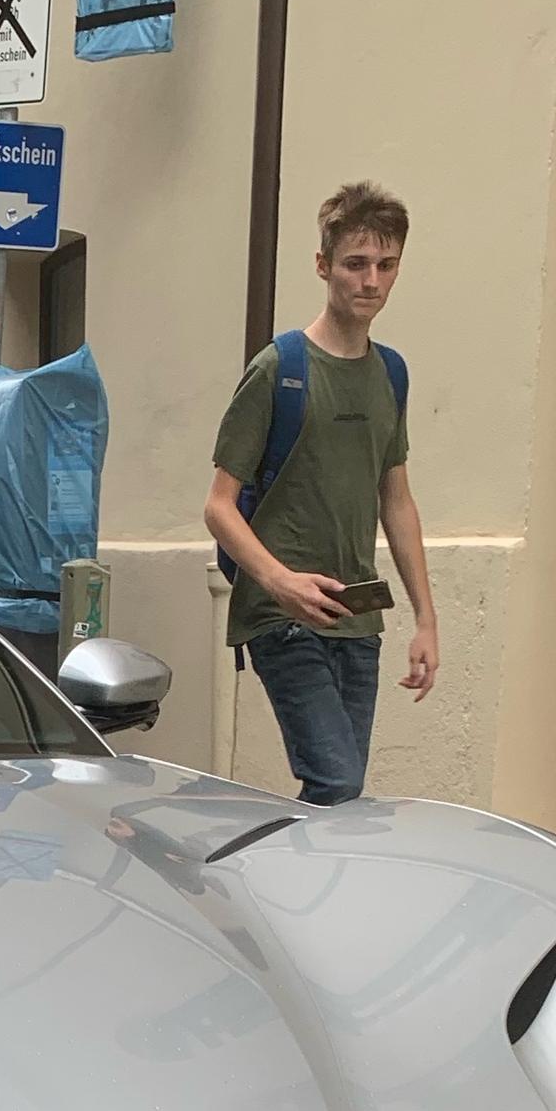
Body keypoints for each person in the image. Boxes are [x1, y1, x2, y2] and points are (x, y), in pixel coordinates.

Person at [204, 180, 439, 807]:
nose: (371, 281)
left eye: (386, 266)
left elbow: (397, 499)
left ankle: (291, 895)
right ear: (323, 266)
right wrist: (280, 582)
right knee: (337, 779)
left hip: (357, 614)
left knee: (340, 802)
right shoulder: (279, 369)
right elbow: (218, 505)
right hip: (282, 616)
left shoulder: (391, 372)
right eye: (356, 264)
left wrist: (425, 619)